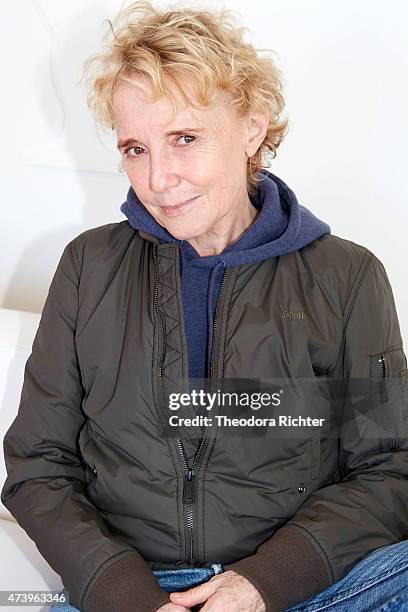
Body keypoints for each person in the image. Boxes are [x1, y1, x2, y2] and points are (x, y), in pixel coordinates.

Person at [2, 2, 408, 611]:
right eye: (135, 148)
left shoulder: (348, 277)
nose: (159, 178)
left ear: (252, 126)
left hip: (305, 584)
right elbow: (37, 466)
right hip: (134, 587)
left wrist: (265, 584)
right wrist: (125, 594)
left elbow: (391, 470)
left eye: (184, 138)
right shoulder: (89, 267)